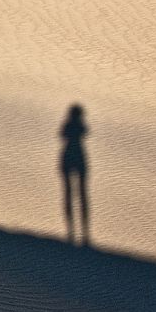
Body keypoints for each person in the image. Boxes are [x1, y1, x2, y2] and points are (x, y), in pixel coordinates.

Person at [59, 104, 89, 245]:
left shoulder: (68, 126)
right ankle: (81, 232)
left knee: (70, 194)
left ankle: (73, 231)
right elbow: (85, 132)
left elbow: (62, 135)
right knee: (80, 195)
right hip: (78, 158)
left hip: (68, 158)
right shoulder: (79, 127)